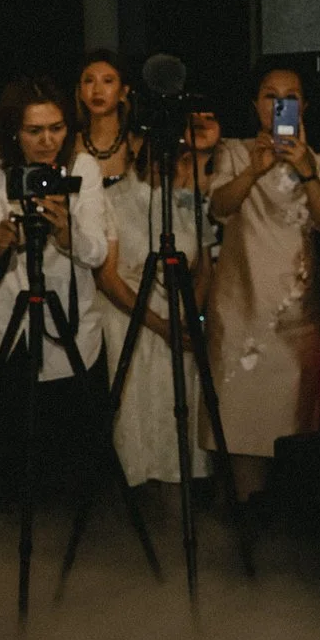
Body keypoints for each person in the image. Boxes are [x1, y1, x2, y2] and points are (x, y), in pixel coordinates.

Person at [0, 76, 115, 519]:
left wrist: (65, 232)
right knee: (2, 470)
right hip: (4, 330)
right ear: (14, 133)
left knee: (69, 466)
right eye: (34, 131)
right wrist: (1, 243)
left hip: (69, 327)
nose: (47, 141)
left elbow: (96, 253)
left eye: (57, 128)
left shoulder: (82, 169)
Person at [205, 66, 320, 502]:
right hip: (240, 305)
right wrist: (252, 171)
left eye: (290, 96)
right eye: (270, 95)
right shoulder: (233, 152)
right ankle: (240, 512)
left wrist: (306, 171)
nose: (279, 104)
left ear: (303, 106)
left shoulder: (317, 160)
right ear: (256, 105)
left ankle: (284, 513)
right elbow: (218, 207)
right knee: (239, 416)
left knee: (292, 416)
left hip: (296, 312)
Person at [97, 101, 219, 488]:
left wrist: (187, 318)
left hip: (179, 321)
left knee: (177, 419)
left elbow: (204, 268)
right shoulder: (112, 200)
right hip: (130, 320)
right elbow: (107, 277)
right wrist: (158, 324)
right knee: (137, 420)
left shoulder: (184, 201)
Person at [75, 49, 141, 184]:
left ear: (123, 92)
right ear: (80, 92)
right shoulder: (69, 145)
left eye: (107, 81)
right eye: (89, 81)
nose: (97, 90)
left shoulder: (139, 146)